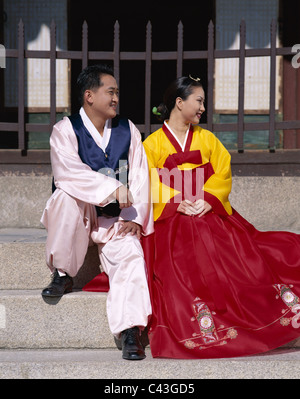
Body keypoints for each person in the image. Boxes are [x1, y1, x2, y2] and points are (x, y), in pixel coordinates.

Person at [142, 75, 300, 359]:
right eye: (199, 101)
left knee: (242, 258)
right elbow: (148, 179)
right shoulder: (151, 144)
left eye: (203, 102)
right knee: (178, 268)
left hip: (206, 209)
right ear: (179, 103)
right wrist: (176, 202)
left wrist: (208, 199)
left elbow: (222, 171)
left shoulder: (207, 138)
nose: (203, 107)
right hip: (173, 215)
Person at [40, 64, 153, 361]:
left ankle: (130, 331)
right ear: (89, 96)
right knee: (65, 195)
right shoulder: (65, 130)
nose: (116, 98)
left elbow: (140, 176)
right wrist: (111, 187)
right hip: (80, 215)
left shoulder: (127, 130)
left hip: (116, 218)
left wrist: (135, 217)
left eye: (117, 93)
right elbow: (68, 174)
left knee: (130, 253)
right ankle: (63, 274)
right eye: (110, 92)